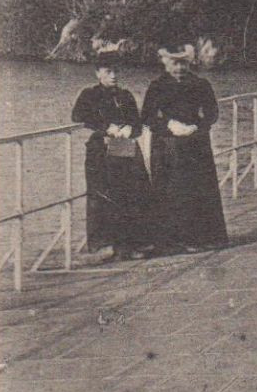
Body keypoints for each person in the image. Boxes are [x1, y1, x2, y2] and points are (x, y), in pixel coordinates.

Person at [141, 44, 228, 253]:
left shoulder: (200, 84)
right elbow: (146, 116)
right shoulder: (157, 85)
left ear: (189, 64)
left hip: (195, 142)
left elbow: (212, 112)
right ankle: (170, 241)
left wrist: (197, 126)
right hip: (167, 144)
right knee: (171, 189)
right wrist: (169, 125)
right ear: (166, 63)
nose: (179, 68)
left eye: (183, 63)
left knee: (197, 188)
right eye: (175, 63)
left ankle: (200, 238)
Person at [69, 52, 151, 260]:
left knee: (132, 193)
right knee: (102, 195)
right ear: (98, 73)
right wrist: (106, 127)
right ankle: (103, 245)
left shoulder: (125, 96)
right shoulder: (89, 94)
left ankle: (130, 244)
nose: (113, 75)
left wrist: (130, 129)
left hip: (125, 148)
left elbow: (138, 124)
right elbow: (78, 116)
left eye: (116, 71)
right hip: (101, 150)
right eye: (108, 71)